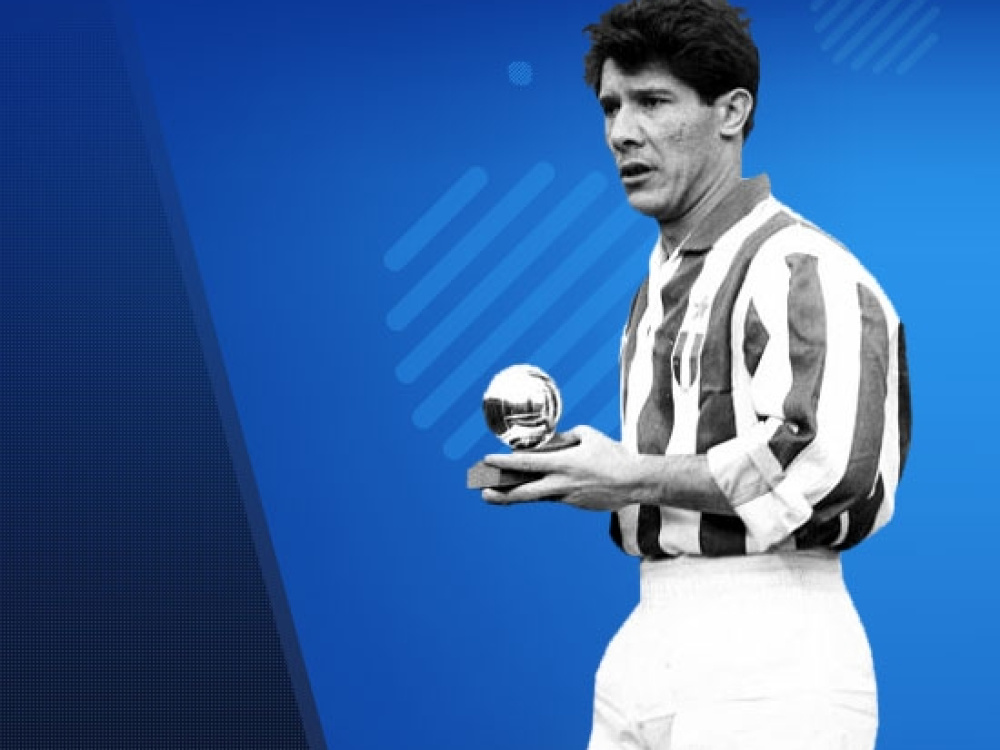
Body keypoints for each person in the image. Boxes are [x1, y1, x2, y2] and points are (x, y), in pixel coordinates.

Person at [478, 1, 912, 748]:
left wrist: (632, 475)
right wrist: (590, 473)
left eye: (653, 102)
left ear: (731, 112)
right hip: (649, 629)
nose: (622, 132)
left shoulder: (799, 266)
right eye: (612, 106)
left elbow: (825, 463)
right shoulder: (655, 287)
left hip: (773, 645)